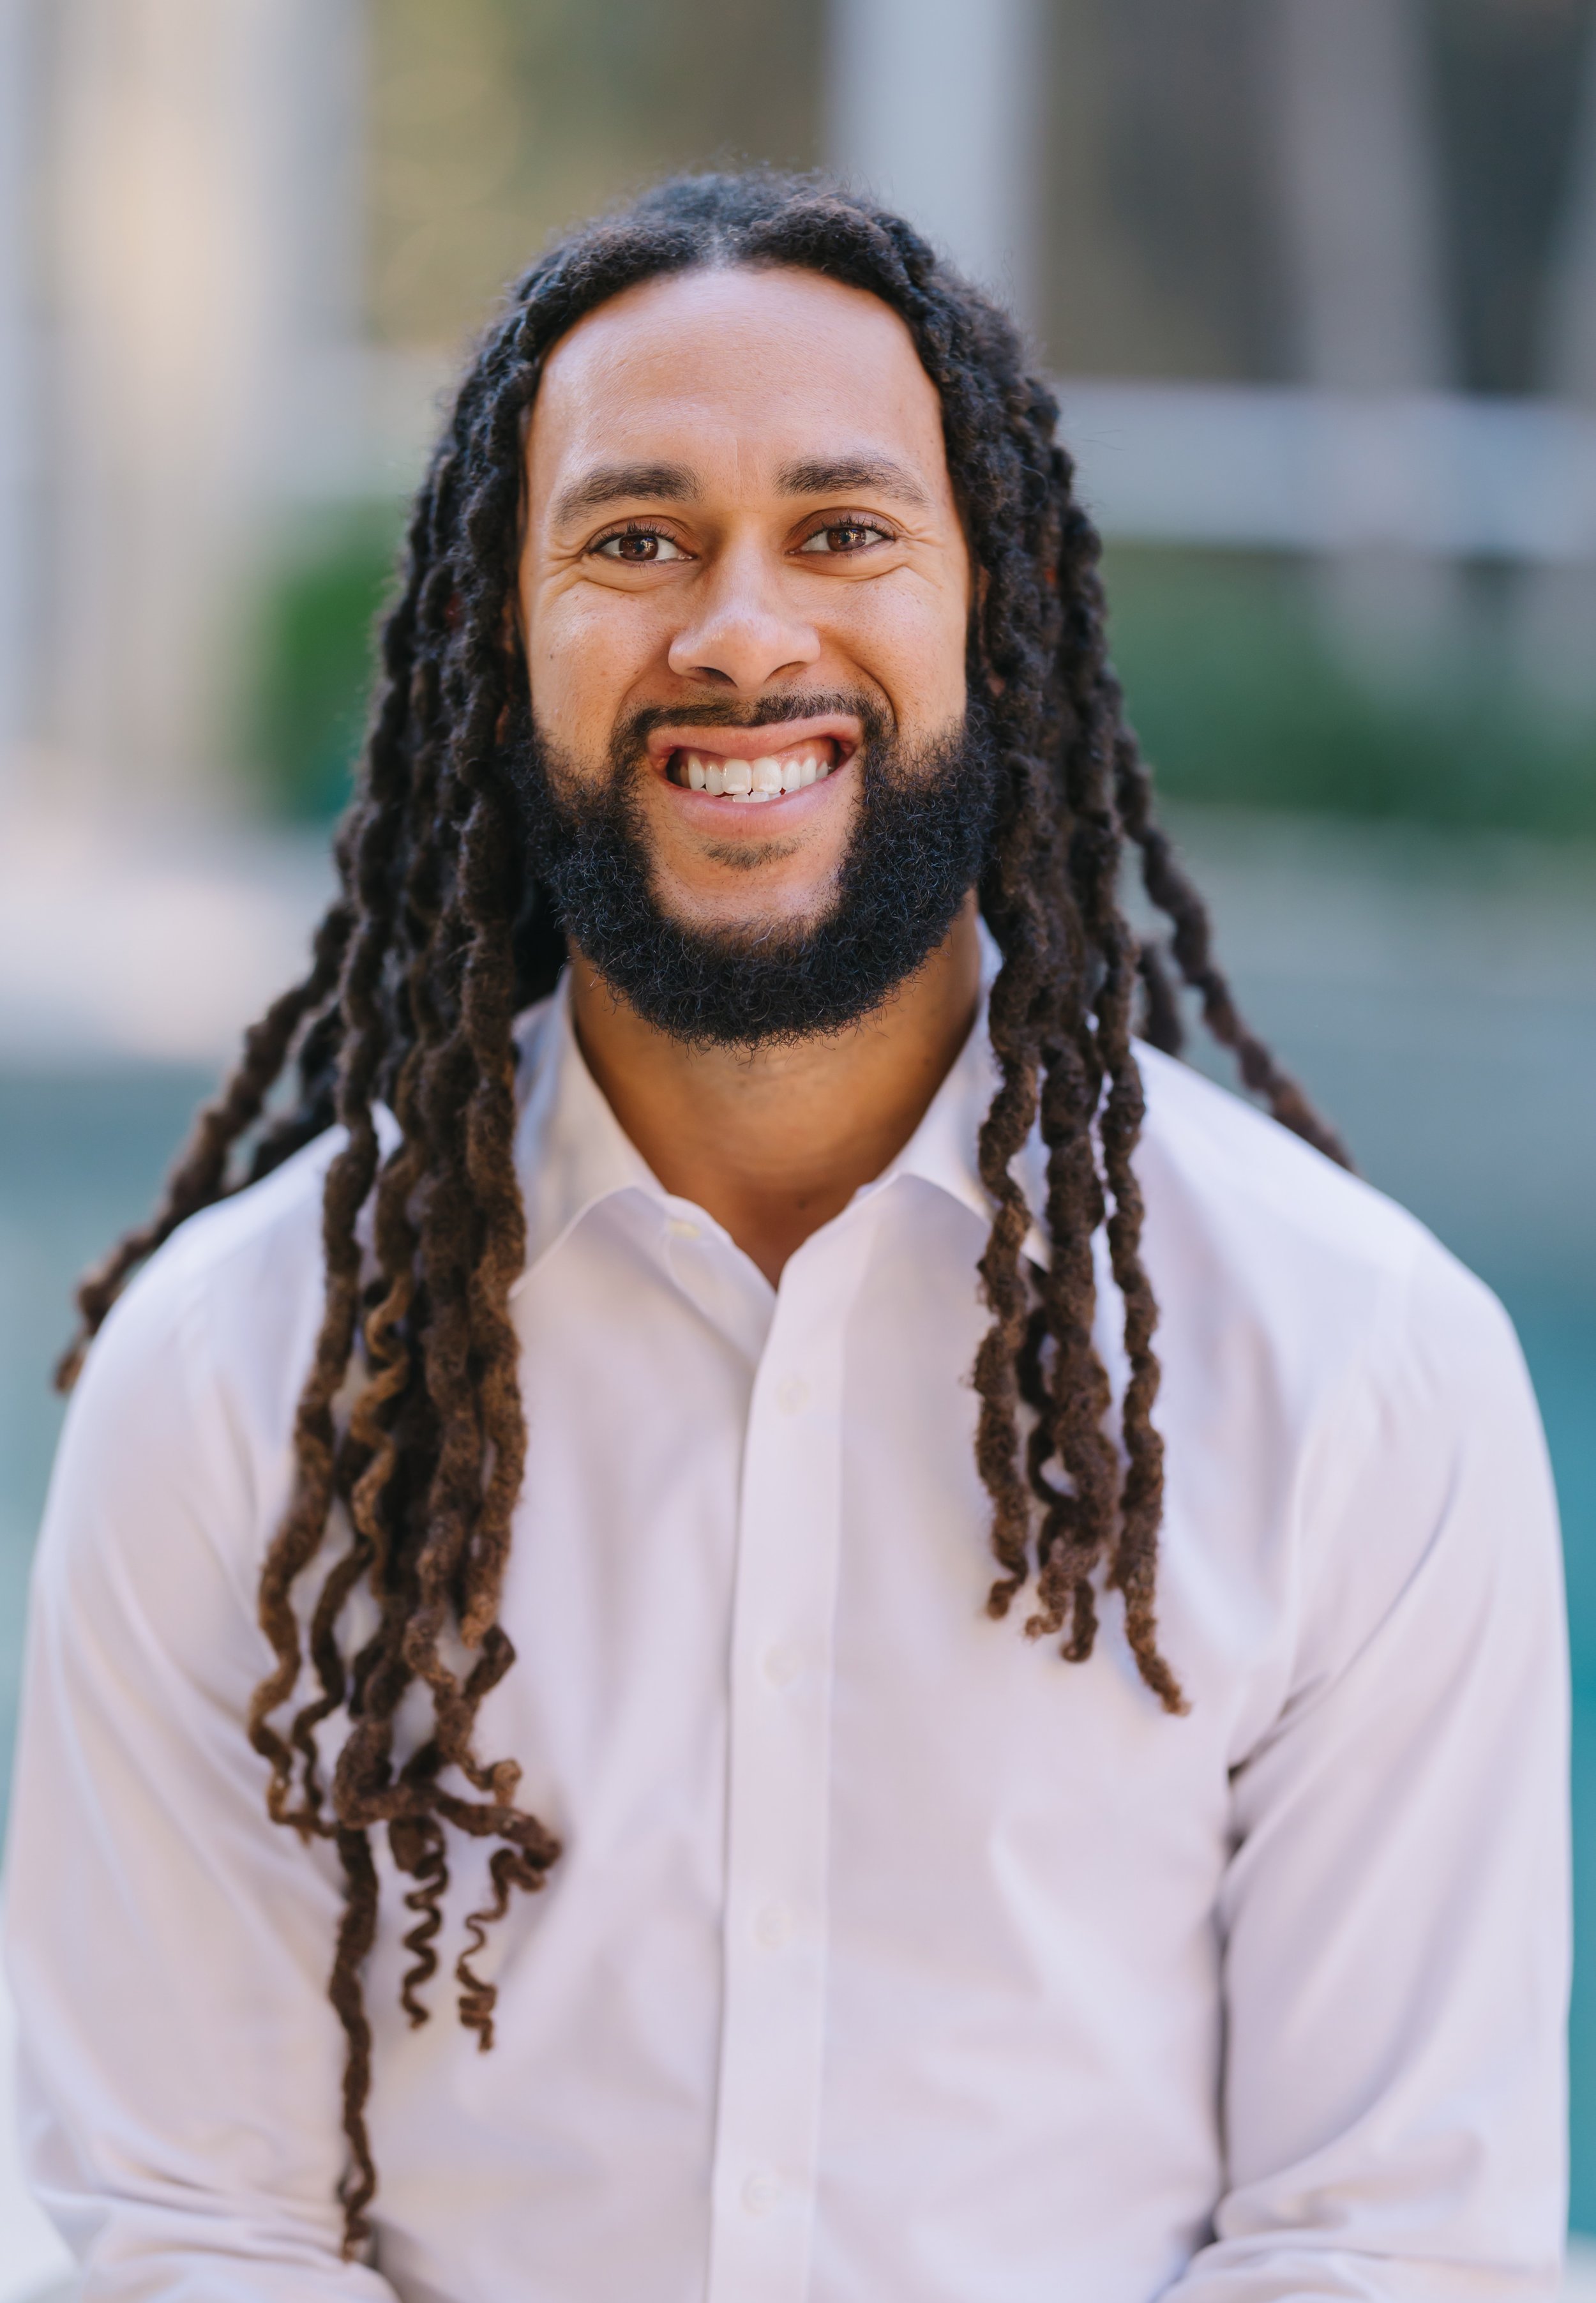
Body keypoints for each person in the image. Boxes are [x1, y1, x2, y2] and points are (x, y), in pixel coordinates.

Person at [3, 172, 1569, 2302]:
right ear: (501, 638)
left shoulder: (1364, 1366)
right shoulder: (230, 1382)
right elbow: (193, 2235)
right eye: (635, 542)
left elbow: (1382, 2247)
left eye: (841, 534)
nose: (741, 633)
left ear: (987, 614)